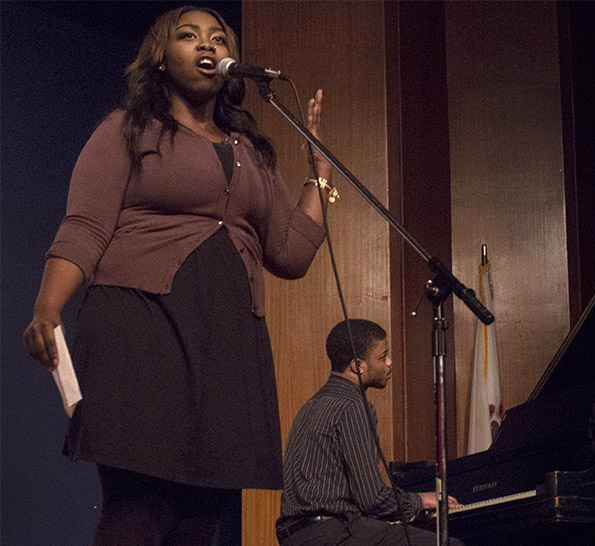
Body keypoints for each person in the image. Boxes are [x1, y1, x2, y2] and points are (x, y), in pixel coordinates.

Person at [23, 5, 332, 545]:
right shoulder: (128, 129)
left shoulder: (253, 152)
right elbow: (85, 227)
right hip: (140, 333)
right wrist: (48, 307)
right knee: (139, 515)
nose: (206, 46)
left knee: (198, 523)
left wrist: (318, 177)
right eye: (189, 37)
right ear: (161, 59)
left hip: (227, 346)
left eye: (217, 37)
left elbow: (290, 254)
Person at [276, 319, 465, 546]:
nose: (389, 362)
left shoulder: (313, 404)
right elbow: (373, 499)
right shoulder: (353, 405)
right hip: (334, 532)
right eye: (382, 356)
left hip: (299, 534)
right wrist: (420, 501)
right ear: (358, 366)